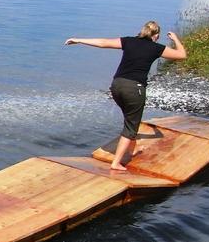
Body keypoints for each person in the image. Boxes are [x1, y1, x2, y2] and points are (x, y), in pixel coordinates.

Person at [65, 21, 187, 171]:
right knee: (131, 126)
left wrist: (78, 40)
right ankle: (116, 163)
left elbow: (103, 43)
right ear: (156, 36)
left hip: (116, 86)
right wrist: (175, 39)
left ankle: (131, 149)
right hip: (134, 89)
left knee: (130, 120)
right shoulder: (156, 48)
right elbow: (182, 55)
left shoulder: (129, 41)